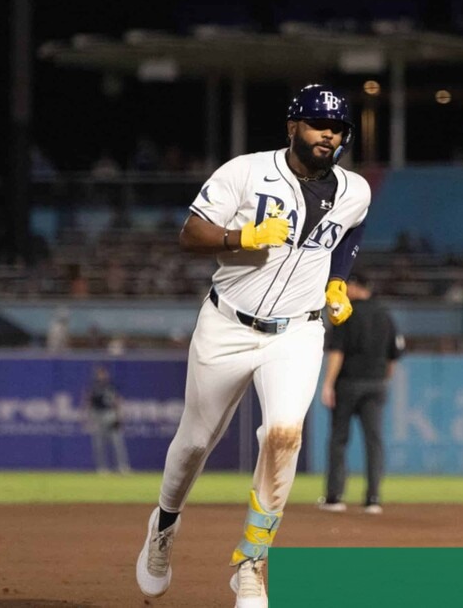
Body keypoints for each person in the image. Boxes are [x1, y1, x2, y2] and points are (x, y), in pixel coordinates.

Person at [136, 83, 371, 608]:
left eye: (337, 128)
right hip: (227, 325)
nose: (328, 134)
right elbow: (190, 234)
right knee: (194, 444)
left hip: (299, 331)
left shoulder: (355, 189)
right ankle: (164, 526)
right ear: (292, 127)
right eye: (317, 124)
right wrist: (239, 237)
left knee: (284, 435)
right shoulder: (244, 172)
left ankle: (252, 563)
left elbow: (353, 229)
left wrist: (338, 280)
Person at [318, 271, 404, 515]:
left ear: (355, 286)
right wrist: (383, 380)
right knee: (374, 441)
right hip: (376, 384)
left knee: (339, 440)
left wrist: (328, 384)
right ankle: (373, 498)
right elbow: (393, 357)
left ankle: (335, 497)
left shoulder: (345, 312)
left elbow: (337, 352)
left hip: (347, 383)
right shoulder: (385, 315)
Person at [84, 364, 131, 474]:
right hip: (97, 414)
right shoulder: (93, 387)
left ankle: (122, 466)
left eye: (103, 373)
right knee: (99, 444)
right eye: (100, 374)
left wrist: (119, 416)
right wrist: (87, 417)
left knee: (117, 443)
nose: (102, 376)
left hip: (110, 414)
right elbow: (88, 402)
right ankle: (102, 468)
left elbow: (117, 401)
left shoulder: (111, 386)